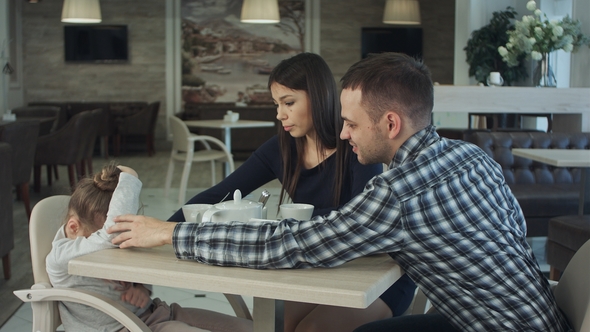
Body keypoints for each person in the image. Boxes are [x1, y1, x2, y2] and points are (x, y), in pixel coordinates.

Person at [109, 52, 571, 331]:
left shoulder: (398, 192)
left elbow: (292, 243)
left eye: (351, 124)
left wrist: (172, 235)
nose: (345, 134)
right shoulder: (472, 156)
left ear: (391, 124)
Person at [168, 52, 416, 332]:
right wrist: (161, 230)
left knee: (311, 329)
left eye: (288, 102)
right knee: (276, 324)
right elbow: (219, 195)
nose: (280, 114)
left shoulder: (356, 145)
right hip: (318, 264)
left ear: (318, 97)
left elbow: (358, 218)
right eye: (276, 104)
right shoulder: (281, 147)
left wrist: (277, 227)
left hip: (375, 274)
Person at [46, 162, 252, 332]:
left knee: (250, 328)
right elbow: (112, 235)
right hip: (125, 327)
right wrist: (129, 177)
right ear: (74, 227)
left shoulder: (97, 240)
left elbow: (131, 261)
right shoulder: (61, 257)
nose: (119, 240)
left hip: (156, 313)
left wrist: (141, 288)